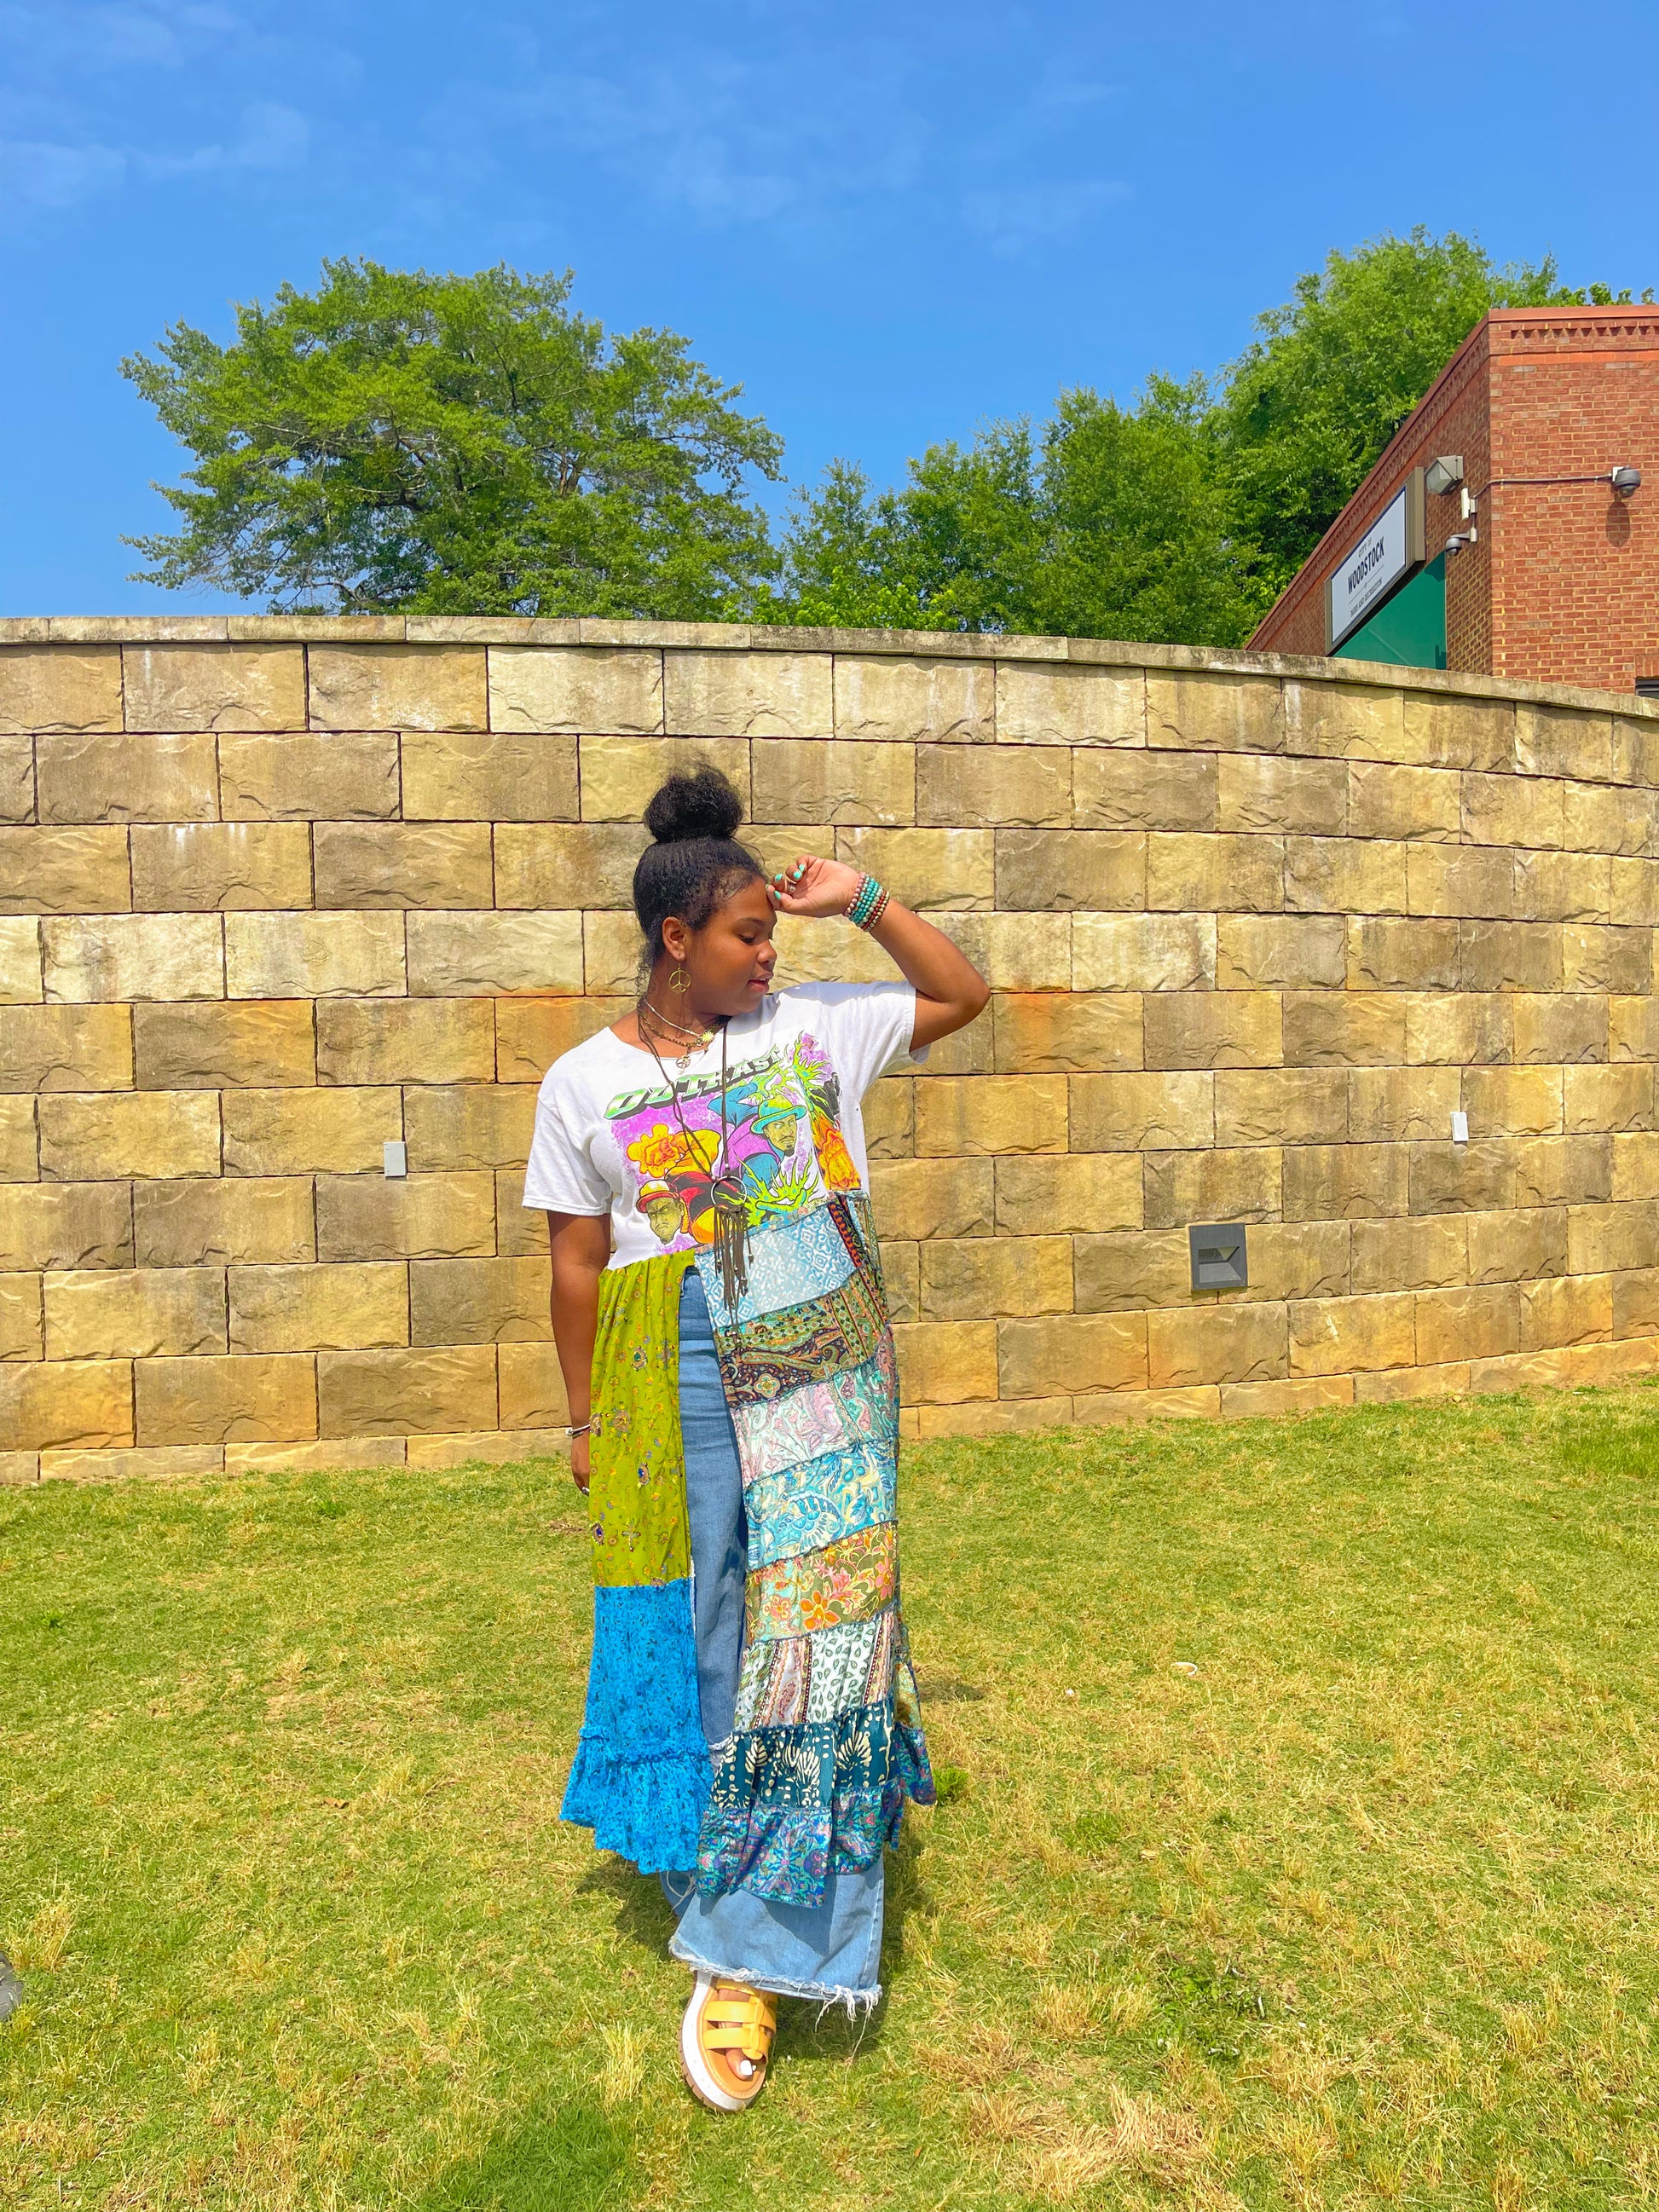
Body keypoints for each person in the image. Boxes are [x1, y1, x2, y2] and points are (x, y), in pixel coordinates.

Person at [523, 765, 989, 2113]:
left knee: (826, 1619)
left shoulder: (816, 1028)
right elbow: (572, 1261)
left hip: (826, 1361)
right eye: (747, 935)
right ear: (676, 939)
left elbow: (960, 995)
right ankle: (732, 1864)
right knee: (714, 1616)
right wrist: (585, 1419)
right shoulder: (585, 1079)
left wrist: (866, 901)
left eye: (772, 933)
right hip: (670, 1366)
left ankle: (760, 1944)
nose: (768, 954)